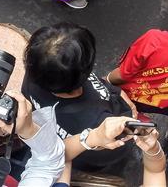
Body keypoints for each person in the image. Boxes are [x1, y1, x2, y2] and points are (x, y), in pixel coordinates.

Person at [22, 22, 134, 174]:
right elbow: (113, 149)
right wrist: (129, 115)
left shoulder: (36, 75)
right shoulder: (97, 119)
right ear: (86, 70)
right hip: (98, 153)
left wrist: (115, 91)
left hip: (72, 148)